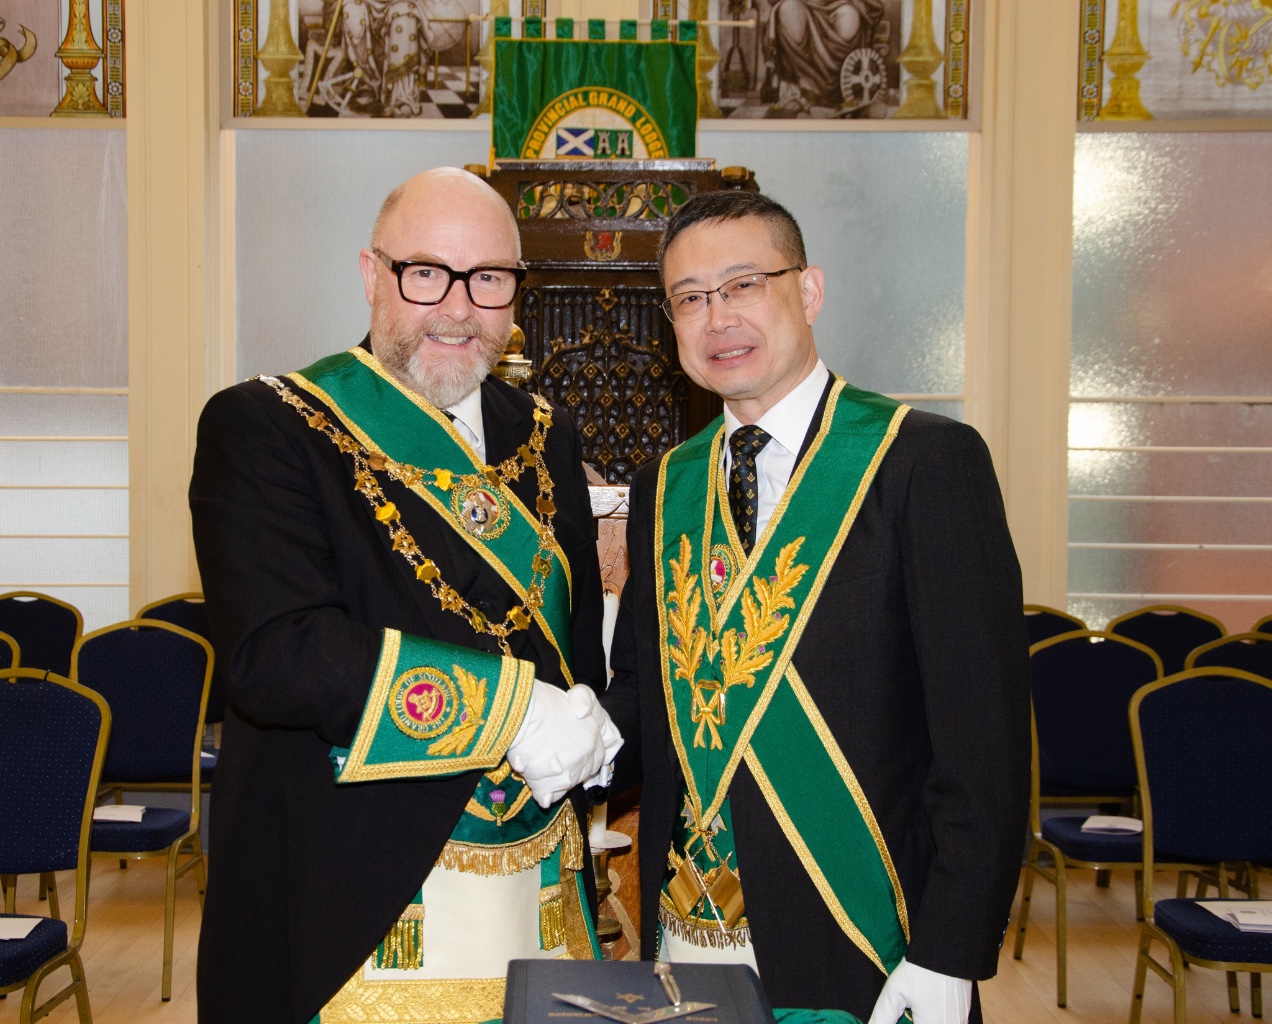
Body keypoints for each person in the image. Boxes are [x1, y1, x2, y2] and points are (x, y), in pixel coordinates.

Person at [191, 167, 621, 1024]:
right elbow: (276, 653)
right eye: (426, 273)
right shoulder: (269, 424)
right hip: (354, 896)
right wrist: (514, 712)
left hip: (536, 886)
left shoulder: (548, 435)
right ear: (371, 274)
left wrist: (591, 729)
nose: (458, 308)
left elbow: (573, 653)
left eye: (488, 278)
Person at [603, 190, 1030, 1024]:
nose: (718, 317)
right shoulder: (665, 485)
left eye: (743, 284)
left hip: (864, 938)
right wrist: (544, 730)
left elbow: (985, 743)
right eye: (690, 298)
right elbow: (645, 698)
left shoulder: (922, 461)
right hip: (687, 935)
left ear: (809, 290)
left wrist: (951, 950)